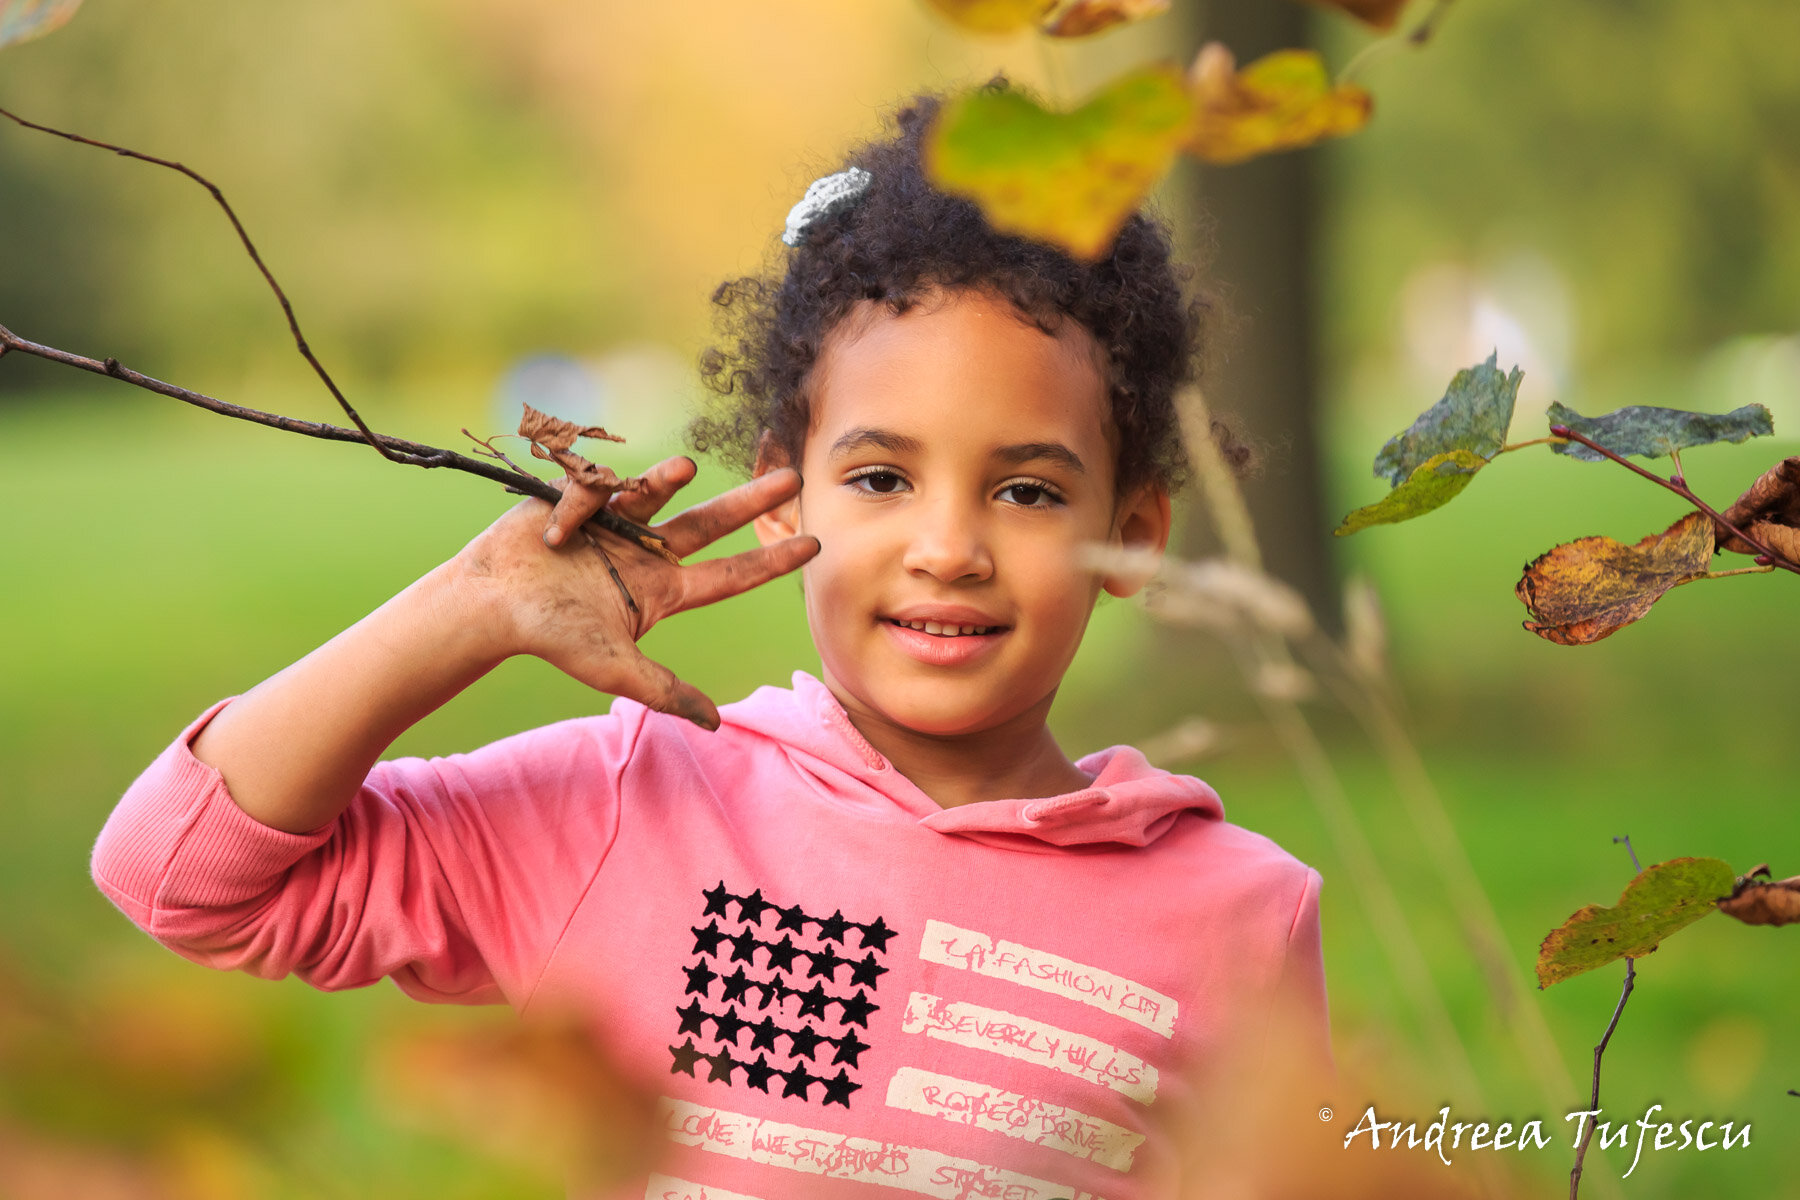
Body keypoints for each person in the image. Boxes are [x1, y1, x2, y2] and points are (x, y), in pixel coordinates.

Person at [91, 79, 1330, 1200]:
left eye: (1027, 492)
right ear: (787, 496)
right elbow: (177, 874)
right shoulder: (629, 806)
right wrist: (469, 608)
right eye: (883, 478)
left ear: (1136, 532)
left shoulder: (1237, 917)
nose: (947, 548)